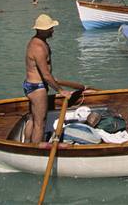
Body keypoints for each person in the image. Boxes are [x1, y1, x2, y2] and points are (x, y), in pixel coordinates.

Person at [23, 14, 88, 144]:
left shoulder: (36, 41)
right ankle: (35, 150)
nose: (53, 30)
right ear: (42, 30)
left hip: (31, 85)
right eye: (50, 28)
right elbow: (46, 75)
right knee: (40, 123)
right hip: (38, 88)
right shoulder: (39, 48)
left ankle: (26, 144)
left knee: (32, 119)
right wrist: (60, 90)